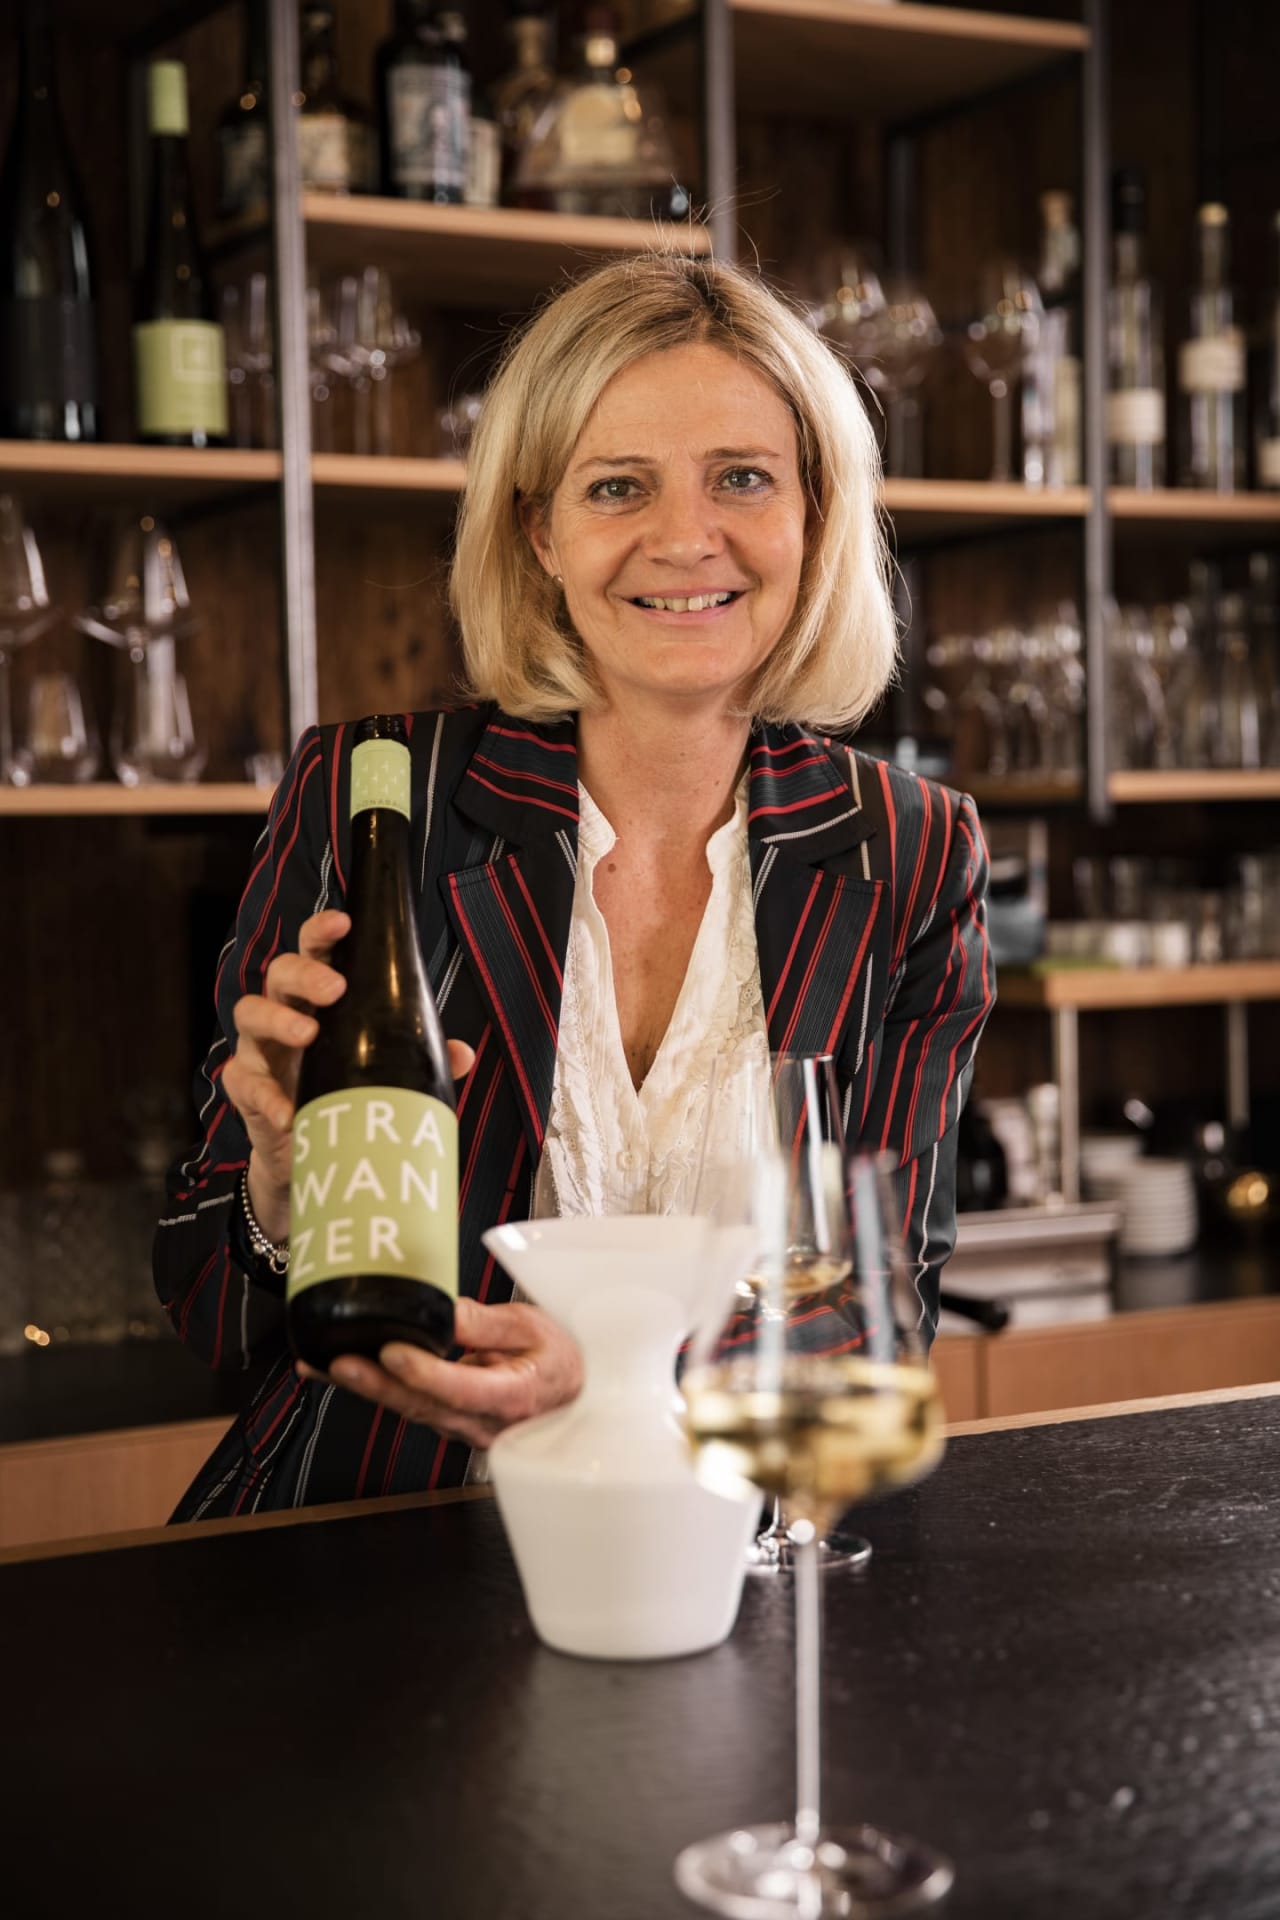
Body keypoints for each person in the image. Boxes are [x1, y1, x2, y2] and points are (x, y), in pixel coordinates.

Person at [155, 251, 995, 1521]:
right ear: (539, 531)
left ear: (813, 515)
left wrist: (622, 1385)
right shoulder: (372, 794)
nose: (684, 538)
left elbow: (875, 1311)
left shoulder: (911, 850)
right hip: (372, 1536)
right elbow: (208, 1311)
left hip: (722, 1552)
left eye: (741, 477)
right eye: (617, 486)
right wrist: (276, 1197)